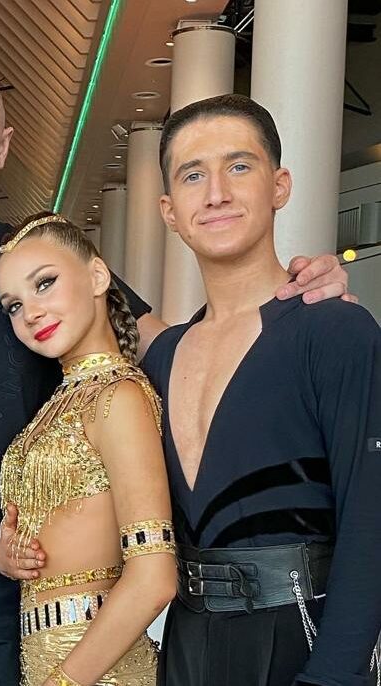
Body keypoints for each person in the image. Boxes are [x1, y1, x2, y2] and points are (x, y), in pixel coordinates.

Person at [0, 44, 350, 686]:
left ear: (3, 145)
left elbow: (191, 351)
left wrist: (297, 295)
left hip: (21, 601)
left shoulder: (47, 264)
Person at [139, 94, 381, 686]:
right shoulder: (162, 357)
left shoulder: (335, 329)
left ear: (280, 185)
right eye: (194, 175)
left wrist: (332, 676)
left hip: (302, 639)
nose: (216, 191)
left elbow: (372, 518)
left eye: (239, 166)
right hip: (186, 644)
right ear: (169, 211)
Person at [0, 212, 176, 686]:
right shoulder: (57, 403)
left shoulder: (120, 397)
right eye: (13, 305)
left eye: (45, 284)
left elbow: (155, 577)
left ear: (97, 276)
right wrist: (5, 555)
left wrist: (64, 682)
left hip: (103, 670)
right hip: (44, 660)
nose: (30, 312)